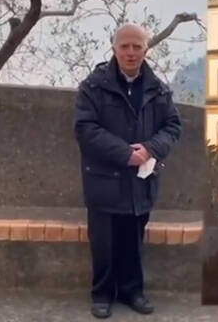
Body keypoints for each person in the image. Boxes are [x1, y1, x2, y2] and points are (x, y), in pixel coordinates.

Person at [73, 23, 182, 319]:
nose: (131, 52)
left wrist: (149, 150)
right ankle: (102, 294)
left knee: (133, 241)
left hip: (140, 181)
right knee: (104, 243)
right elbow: (85, 129)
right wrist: (125, 154)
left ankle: (133, 291)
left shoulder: (158, 89)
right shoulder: (94, 86)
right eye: (125, 46)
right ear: (114, 49)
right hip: (104, 180)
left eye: (137, 47)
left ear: (146, 50)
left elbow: (172, 126)